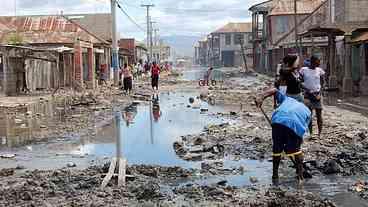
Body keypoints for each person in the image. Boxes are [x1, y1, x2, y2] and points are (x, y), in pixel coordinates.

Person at [256, 87, 311, 184]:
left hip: (278, 120)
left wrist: (261, 97)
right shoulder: (308, 112)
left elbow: (274, 90)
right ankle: (300, 176)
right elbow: (300, 134)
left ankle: (275, 177)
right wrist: (293, 147)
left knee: (277, 149)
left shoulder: (288, 99)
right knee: (296, 150)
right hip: (294, 124)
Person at [300, 56, 325, 137]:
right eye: (318, 61)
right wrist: (307, 90)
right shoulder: (304, 70)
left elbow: (323, 83)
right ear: (312, 61)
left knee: (319, 115)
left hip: (317, 95)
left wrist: (320, 93)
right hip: (308, 95)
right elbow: (299, 83)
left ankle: (320, 134)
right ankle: (311, 133)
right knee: (309, 115)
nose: (319, 63)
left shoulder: (319, 70)